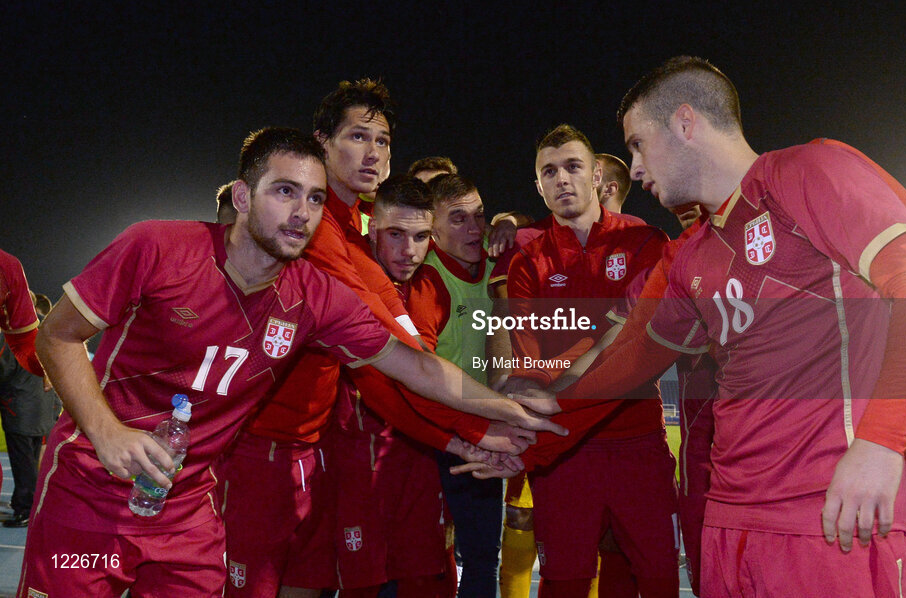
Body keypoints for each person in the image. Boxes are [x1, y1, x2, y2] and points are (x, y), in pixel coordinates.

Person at [468, 57, 906, 596]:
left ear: (685, 124)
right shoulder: (688, 256)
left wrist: (881, 443)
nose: (632, 170)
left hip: (826, 511)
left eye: (637, 144)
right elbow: (624, 363)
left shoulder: (807, 171)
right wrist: (529, 431)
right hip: (729, 515)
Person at [20, 127, 557, 598]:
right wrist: (107, 432)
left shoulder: (317, 294)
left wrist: (508, 412)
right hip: (90, 493)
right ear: (242, 196)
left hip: (188, 510)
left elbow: (414, 366)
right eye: (284, 191)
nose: (302, 212)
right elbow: (57, 337)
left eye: (316, 199)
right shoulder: (158, 247)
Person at [218, 82, 532, 598]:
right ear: (322, 141)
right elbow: (388, 361)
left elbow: (391, 355)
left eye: (382, 141)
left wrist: (512, 221)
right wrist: (477, 427)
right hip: (263, 444)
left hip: (313, 448)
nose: (373, 153)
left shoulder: (354, 233)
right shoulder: (317, 233)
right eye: (358, 136)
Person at [504, 125, 680, 598]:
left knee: (658, 578)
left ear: (596, 174)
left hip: (635, 441)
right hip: (563, 452)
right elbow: (528, 363)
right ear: (538, 186)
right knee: (564, 583)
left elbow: (643, 347)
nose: (561, 178)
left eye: (572, 166)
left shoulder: (645, 242)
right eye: (549, 171)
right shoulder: (528, 263)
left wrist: (572, 359)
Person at [327, 174, 456, 598]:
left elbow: (421, 378)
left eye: (421, 237)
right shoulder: (344, 272)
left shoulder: (432, 287)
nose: (409, 250)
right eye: (395, 234)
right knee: (359, 584)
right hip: (353, 457)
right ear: (372, 227)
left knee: (427, 580)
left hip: (419, 457)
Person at [405, 172, 505, 597]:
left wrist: (512, 221)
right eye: (459, 218)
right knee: (420, 557)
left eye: (480, 215)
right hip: (436, 439)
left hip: (485, 433)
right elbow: (417, 374)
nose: (475, 228)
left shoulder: (497, 261)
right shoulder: (426, 282)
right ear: (434, 230)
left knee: (484, 558)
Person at [1, 293, 61, 528]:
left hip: (20, 408)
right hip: (42, 407)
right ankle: (35, 504)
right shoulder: (46, 326)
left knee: (23, 463)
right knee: (35, 460)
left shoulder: (13, 332)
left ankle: (25, 508)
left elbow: (4, 370)